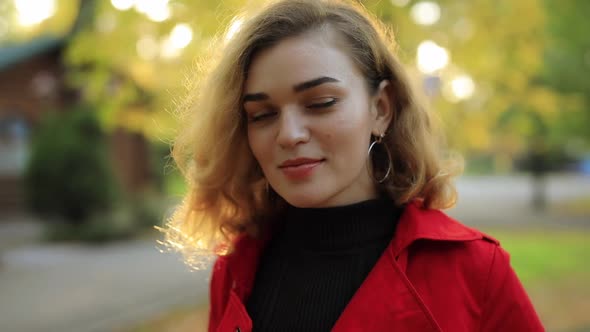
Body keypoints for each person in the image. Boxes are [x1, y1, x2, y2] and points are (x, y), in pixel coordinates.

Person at [162, 0, 544, 331]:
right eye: (262, 114)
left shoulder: (475, 271)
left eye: (320, 102)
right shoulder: (236, 266)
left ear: (381, 108)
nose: (289, 134)